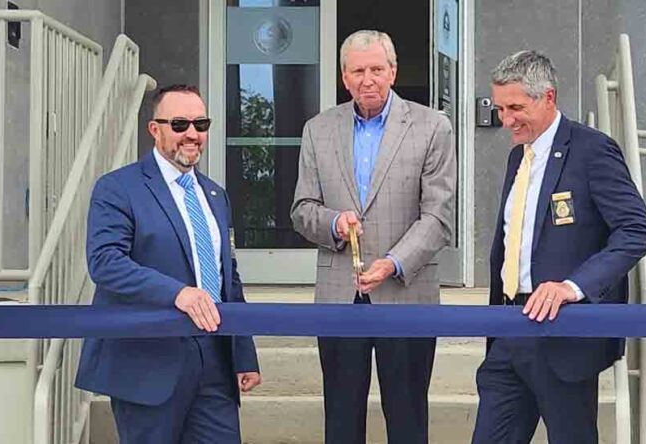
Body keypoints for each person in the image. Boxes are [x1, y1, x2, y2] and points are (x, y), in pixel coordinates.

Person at [471, 51, 646, 444]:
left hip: (563, 335)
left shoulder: (592, 150)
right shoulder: (515, 159)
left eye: (516, 107)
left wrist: (572, 287)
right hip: (507, 330)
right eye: (500, 109)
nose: (506, 120)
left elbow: (636, 230)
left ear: (548, 98)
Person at [291, 30, 456, 444]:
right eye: (358, 71)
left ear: (393, 71)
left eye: (377, 69)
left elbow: (439, 216)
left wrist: (394, 263)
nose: (368, 79)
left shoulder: (432, 126)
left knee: (407, 418)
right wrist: (333, 223)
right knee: (341, 421)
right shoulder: (317, 130)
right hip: (338, 296)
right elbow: (302, 209)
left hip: (407, 293)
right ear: (345, 77)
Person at [75, 84, 261, 443]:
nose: (192, 134)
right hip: (148, 363)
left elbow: (228, 278)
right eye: (179, 124)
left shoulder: (215, 195)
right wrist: (179, 294)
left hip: (215, 363)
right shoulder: (118, 188)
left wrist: (244, 352)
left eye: (200, 124)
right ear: (154, 129)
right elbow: (105, 262)